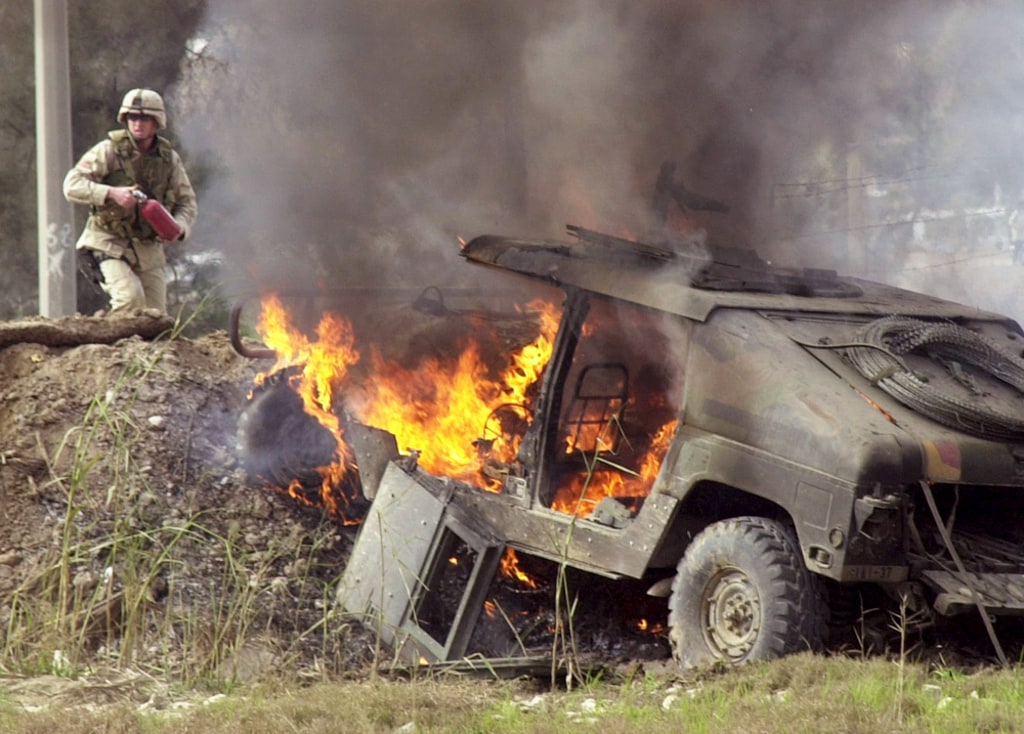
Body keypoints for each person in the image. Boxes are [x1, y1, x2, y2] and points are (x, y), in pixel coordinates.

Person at [63, 88, 198, 314]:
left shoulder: (168, 159)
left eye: (145, 118)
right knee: (129, 300)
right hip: (107, 243)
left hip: (148, 251)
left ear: (156, 122)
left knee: (156, 319)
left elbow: (187, 202)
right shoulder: (108, 151)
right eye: (133, 117)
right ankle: (105, 349)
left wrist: (179, 228)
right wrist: (111, 193)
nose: (138, 123)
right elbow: (71, 185)